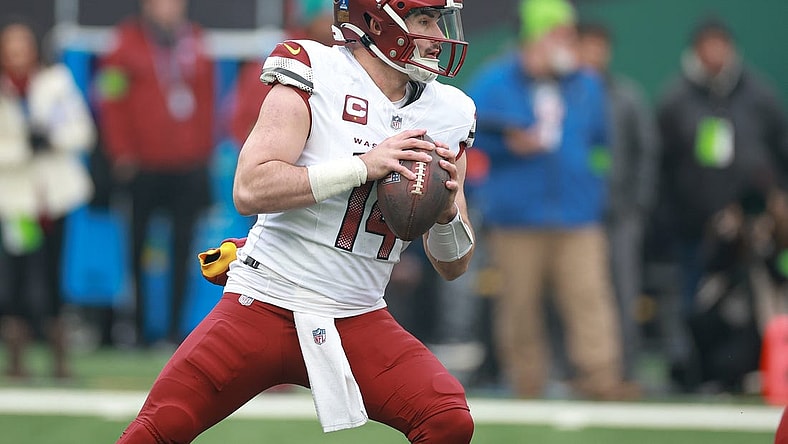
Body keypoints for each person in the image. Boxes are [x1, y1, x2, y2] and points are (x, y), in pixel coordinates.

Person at [116, 0, 477, 442]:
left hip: (356, 314)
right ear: (378, 22)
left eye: (438, 23)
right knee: (160, 427)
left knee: (447, 419)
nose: (438, 38)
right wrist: (363, 166)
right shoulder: (315, 71)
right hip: (264, 302)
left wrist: (444, 216)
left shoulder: (448, 113)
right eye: (424, 21)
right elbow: (249, 188)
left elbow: (454, 265)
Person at [466, 0, 638, 401]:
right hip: (516, 219)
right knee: (519, 307)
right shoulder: (497, 80)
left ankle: (600, 378)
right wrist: (509, 144)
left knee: (590, 300)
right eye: (557, 35)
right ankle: (527, 382)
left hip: (578, 217)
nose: (566, 44)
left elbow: (601, 144)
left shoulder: (587, 84)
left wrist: (594, 184)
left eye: (569, 36)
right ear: (533, 38)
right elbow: (469, 129)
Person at [655, 17, 788, 392]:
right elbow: (663, 166)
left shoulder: (759, 94)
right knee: (694, 303)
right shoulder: (675, 99)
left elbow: (779, 150)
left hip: (756, 228)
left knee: (762, 298)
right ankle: (698, 373)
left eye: (721, 45)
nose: (715, 54)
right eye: (707, 46)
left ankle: (759, 369)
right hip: (696, 228)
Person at [95, 0, 216, 346]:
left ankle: (176, 331)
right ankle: (136, 328)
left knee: (185, 248)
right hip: (142, 166)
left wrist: (204, 151)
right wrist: (121, 151)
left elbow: (208, 100)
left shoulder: (195, 41)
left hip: (187, 164)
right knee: (135, 247)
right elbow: (110, 100)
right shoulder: (123, 44)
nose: (169, 7)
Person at [0, 16, 96, 378]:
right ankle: (16, 360)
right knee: (16, 278)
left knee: (54, 275)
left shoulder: (55, 83)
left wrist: (50, 138)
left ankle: (59, 360)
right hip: (16, 203)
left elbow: (80, 131)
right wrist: (22, 148)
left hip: (53, 199)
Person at [577, 22, 661, 382]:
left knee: (623, 291)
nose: (594, 54)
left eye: (600, 47)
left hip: (621, 216)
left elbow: (646, 152)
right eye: (588, 46)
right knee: (581, 296)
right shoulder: (569, 96)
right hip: (578, 217)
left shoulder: (626, 97)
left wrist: (636, 206)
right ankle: (580, 371)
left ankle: (625, 371)